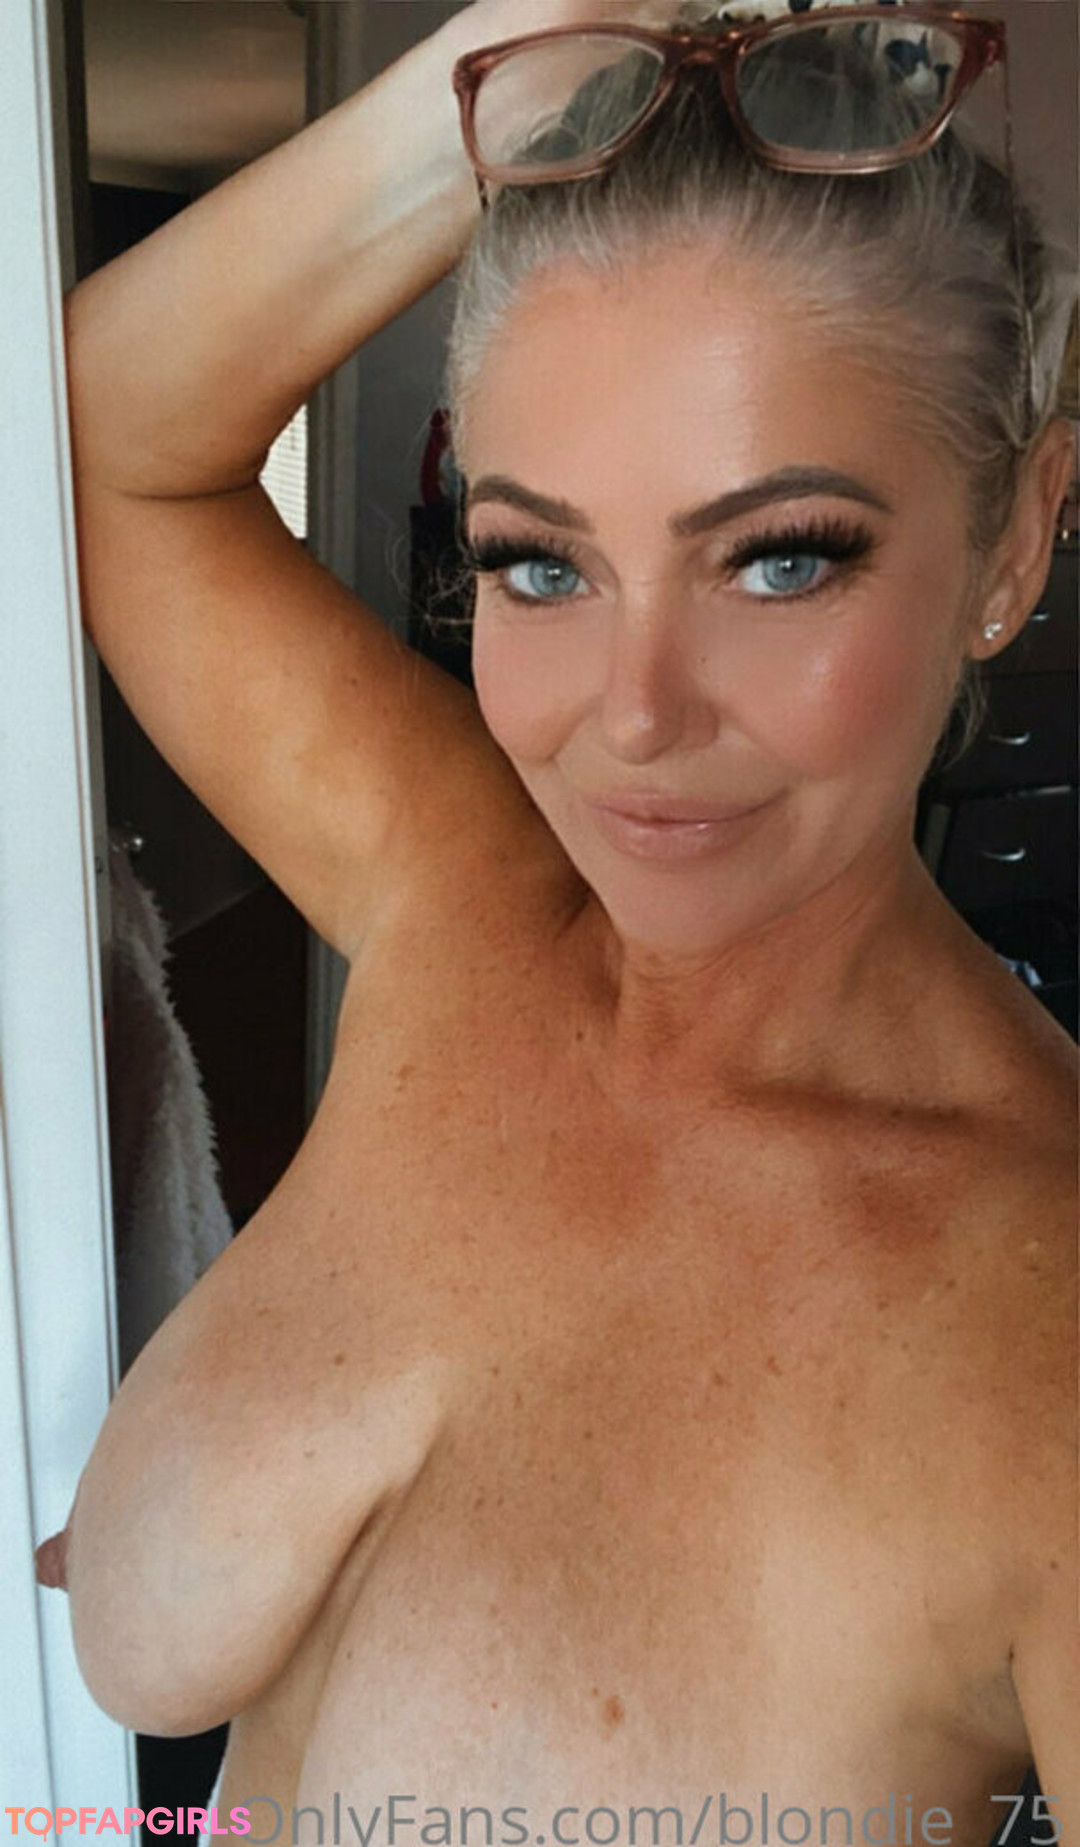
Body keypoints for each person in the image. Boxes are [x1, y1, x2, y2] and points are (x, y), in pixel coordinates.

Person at [41, 1, 1078, 1841]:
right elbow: (103, 435)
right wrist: (529, 52)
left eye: (781, 558)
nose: (635, 717)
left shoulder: (1044, 1331)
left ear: (1013, 540)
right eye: (541, 563)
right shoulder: (460, 895)